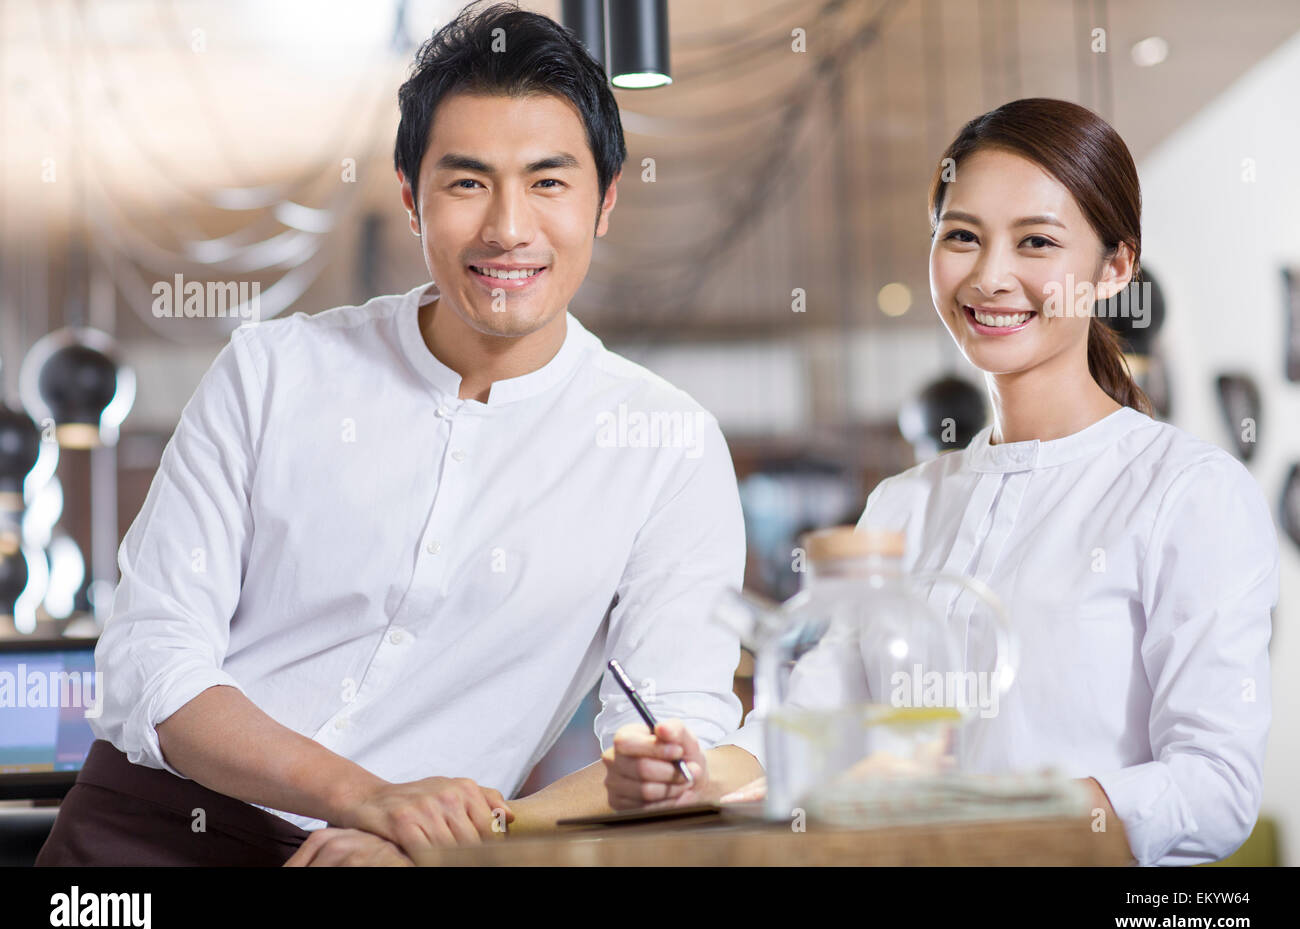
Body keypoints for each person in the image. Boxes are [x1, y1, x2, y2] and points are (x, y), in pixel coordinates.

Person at [37, 1, 753, 867]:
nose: (508, 228)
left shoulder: (667, 448)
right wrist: (365, 797)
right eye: (467, 182)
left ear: (604, 202)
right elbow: (152, 657)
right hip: (145, 835)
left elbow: (680, 743)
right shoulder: (272, 371)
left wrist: (463, 842)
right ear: (412, 201)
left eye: (549, 181)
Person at [606, 98, 1279, 868]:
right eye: (961, 236)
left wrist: (981, 825)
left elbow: (1215, 788)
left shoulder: (1190, 493)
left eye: (1037, 242)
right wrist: (688, 774)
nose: (991, 277)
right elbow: (810, 726)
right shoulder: (901, 505)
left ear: (1114, 269)